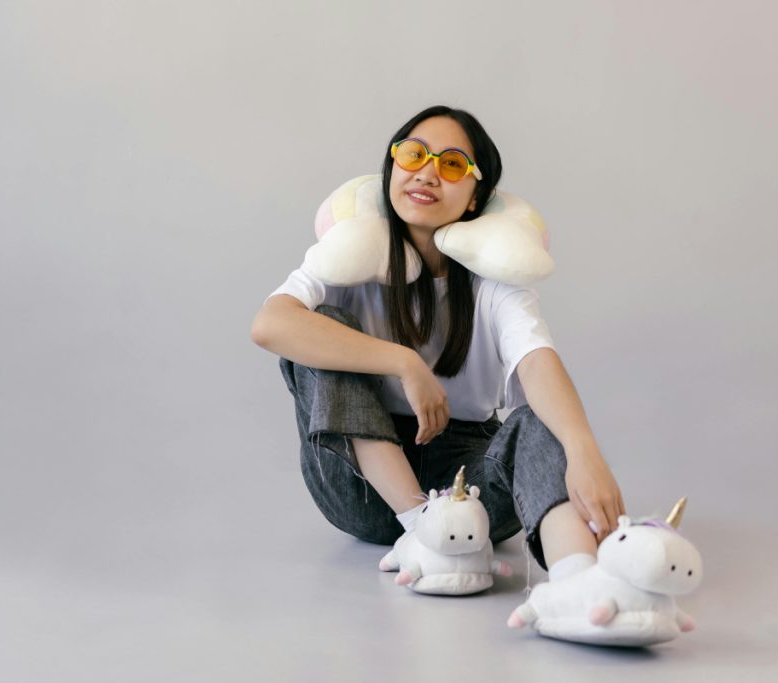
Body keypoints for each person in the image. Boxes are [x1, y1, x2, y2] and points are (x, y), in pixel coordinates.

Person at [249, 104, 625, 590]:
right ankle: (418, 527)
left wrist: (583, 450)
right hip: (362, 486)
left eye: (451, 165)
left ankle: (581, 587)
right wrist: (402, 362)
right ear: (392, 167)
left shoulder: (494, 278)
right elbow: (270, 324)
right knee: (321, 328)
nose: (427, 173)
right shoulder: (351, 255)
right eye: (413, 155)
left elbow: (536, 362)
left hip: (470, 492)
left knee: (541, 417)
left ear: (473, 197)